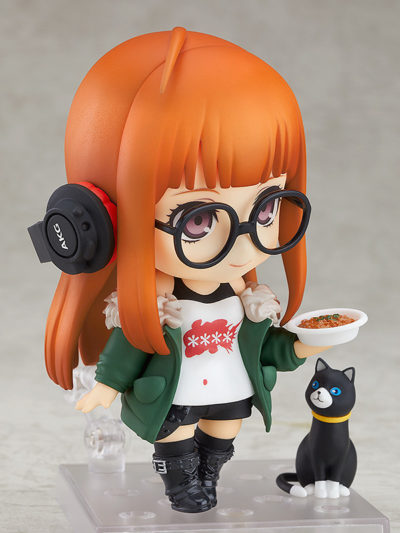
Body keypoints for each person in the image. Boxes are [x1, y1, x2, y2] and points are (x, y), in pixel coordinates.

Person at [43, 27, 330, 513]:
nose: (243, 242)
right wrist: (108, 385)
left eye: (266, 210)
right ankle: (181, 482)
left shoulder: (248, 298)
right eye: (198, 220)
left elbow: (265, 347)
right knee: (177, 436)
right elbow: (130, 347)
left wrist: (306, 343)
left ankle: (209, 474)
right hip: (172, 395)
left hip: (230, 390)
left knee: (223, 431)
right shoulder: (157, 305)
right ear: (101, 220)